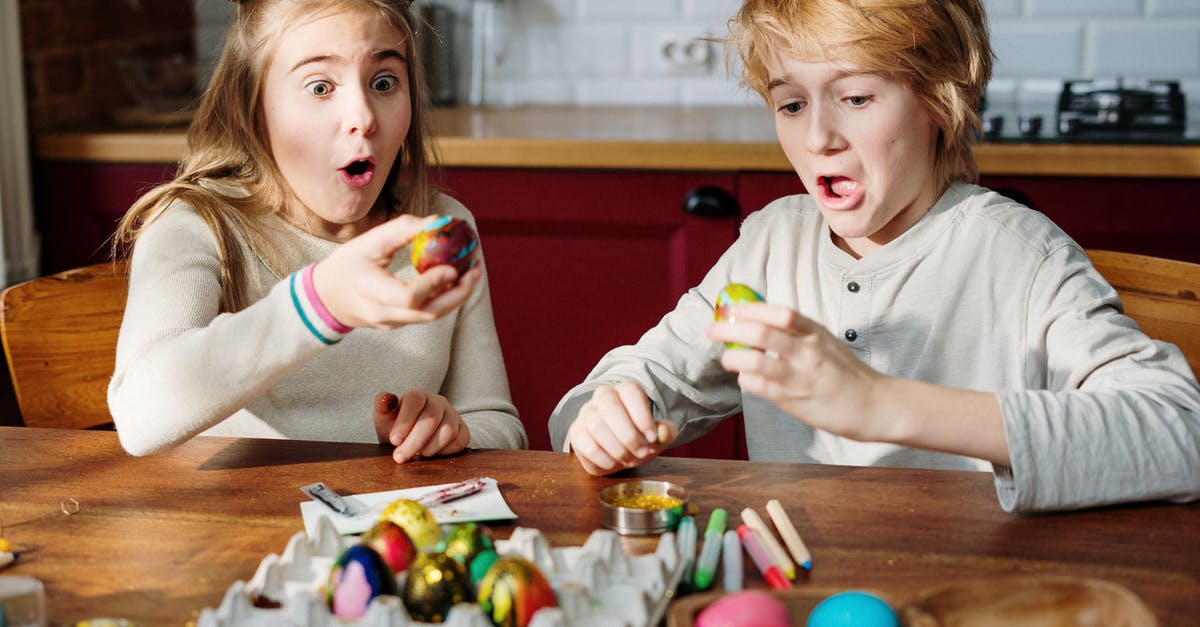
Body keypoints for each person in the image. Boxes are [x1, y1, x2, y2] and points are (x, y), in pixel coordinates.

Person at [549, 0, 1200, 513]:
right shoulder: (771, 247)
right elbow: (611, 392)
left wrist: (879, 403)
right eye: (791, 104)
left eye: (855, 98)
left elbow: (1180, 434)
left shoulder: (1020, 256)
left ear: (940, 98)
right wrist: (607, 412)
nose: (818, 137)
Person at [108, 0, 527, 461]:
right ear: (249, 106)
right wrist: (320, 302)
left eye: (384, 83)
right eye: (321, 86)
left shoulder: (444, 229)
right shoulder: (194, 225)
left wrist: (452, 431)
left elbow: (500, 426)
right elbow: (140, 416)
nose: (364, 117)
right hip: (238, 527)